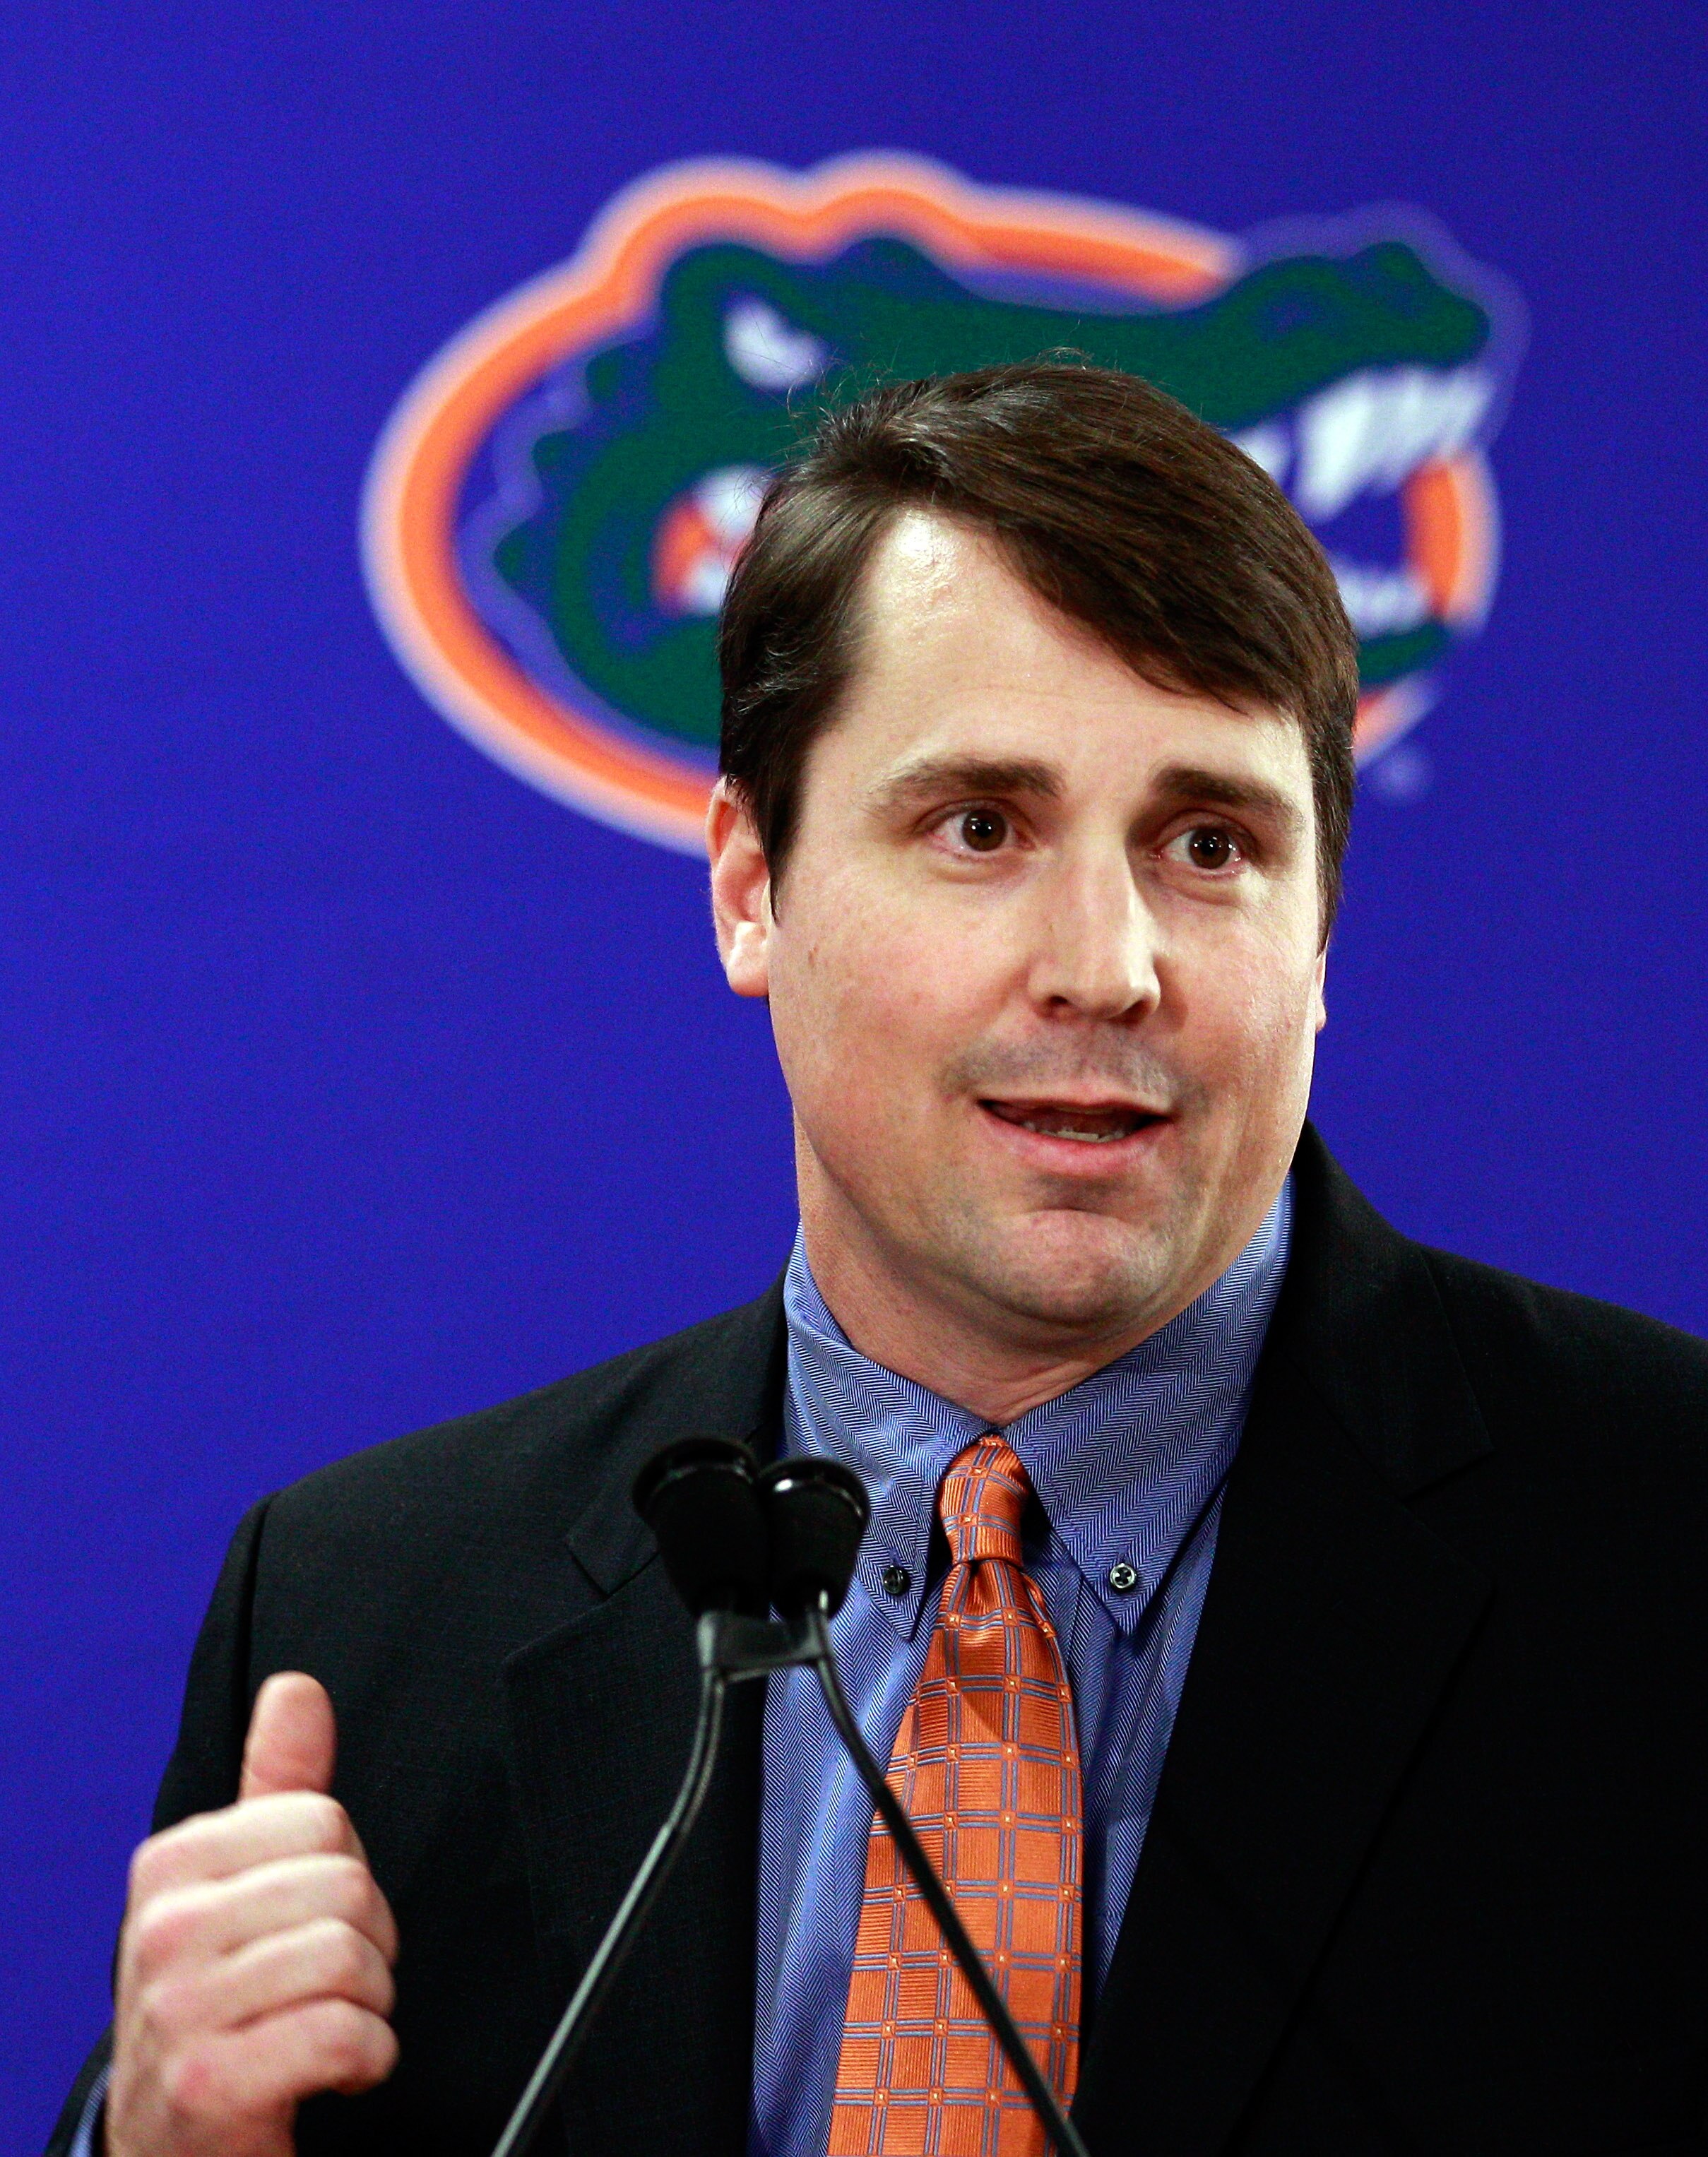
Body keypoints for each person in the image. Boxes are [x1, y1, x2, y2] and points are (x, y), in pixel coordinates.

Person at [49, 362, 1708, 2157]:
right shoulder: (369, 1623)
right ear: (751, 887)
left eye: (1209, 843)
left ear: (1322, 936)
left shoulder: (1663, 1543)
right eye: (980, 828)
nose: (1107, 962)